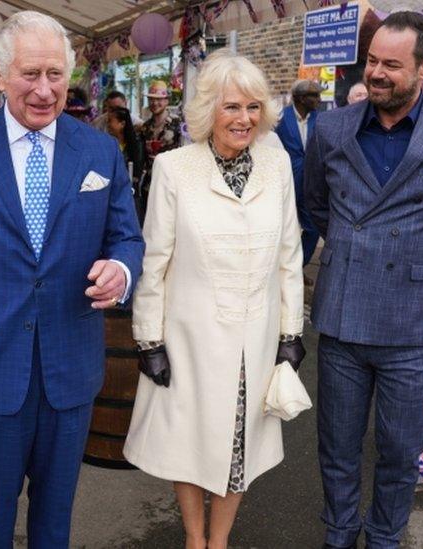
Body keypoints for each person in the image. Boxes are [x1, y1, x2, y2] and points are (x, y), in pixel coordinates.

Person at [0, 11, 144, 547]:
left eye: (55, 74)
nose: (45, 91)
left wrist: (120, 269)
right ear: (0, 76)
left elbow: (128, 238)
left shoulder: (98, 151)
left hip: (69, 367)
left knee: (54, 523)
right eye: (30, 74)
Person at [304, 11, 423, 549]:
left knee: (398, 446)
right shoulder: (332, 127)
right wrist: (351, 250)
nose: (378, 73)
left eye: (392, 64)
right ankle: (339, 534)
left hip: (412, 322)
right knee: (336, 444)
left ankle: (385, 537)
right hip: (343, 314)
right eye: (372, 61)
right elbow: (317, 204)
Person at [123, 50, 304, 549]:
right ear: (208, 112)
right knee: (191, 440)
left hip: (257, 335)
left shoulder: (278, 162)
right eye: (230, 107)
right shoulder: (174, 168)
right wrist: (149, 340)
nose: (243, 119)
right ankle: (193, 538)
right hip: (190, 336)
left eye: (251, 107)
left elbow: (291, 253)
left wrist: (291, 334)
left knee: (240, 444)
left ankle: (218, 542)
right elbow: (154, 261)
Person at [277, 79, 322, 266]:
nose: (319, 99)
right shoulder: (279, 118)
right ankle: (277, 271)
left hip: (309, 184)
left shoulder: (320, 119)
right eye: (315, 95)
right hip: (284, 183)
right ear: (301, 98)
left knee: (312, 228)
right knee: (281, 231)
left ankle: (297, 268)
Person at [136, 80, 182, 199]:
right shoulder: (145, 127)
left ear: (167, 101)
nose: (155, 103)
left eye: (159, 99)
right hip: (150, 183)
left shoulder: (178, 124)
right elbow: (141, 157)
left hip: (172, 183)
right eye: (151, 99)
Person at [106, 106, 144, 186]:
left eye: (110, 121)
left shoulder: (136, 145)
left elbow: (137, 172)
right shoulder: (108, 144)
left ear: (122, 124)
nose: (108, 125)